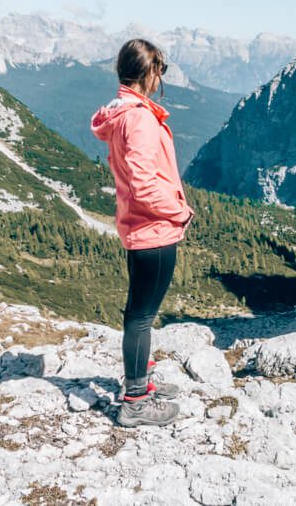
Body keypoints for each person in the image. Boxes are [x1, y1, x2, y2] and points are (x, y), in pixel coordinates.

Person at [90, 38, 196, 427]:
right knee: (140, 317)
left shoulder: (121, 113)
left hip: (138, 226)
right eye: (161, 71)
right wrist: (180, 213)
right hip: (154, 230)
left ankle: (142, 382)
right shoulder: (139, 118)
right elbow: (144, 183)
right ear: (148, 72)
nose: (161, 78)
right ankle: (136, 400)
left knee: (140, 314)